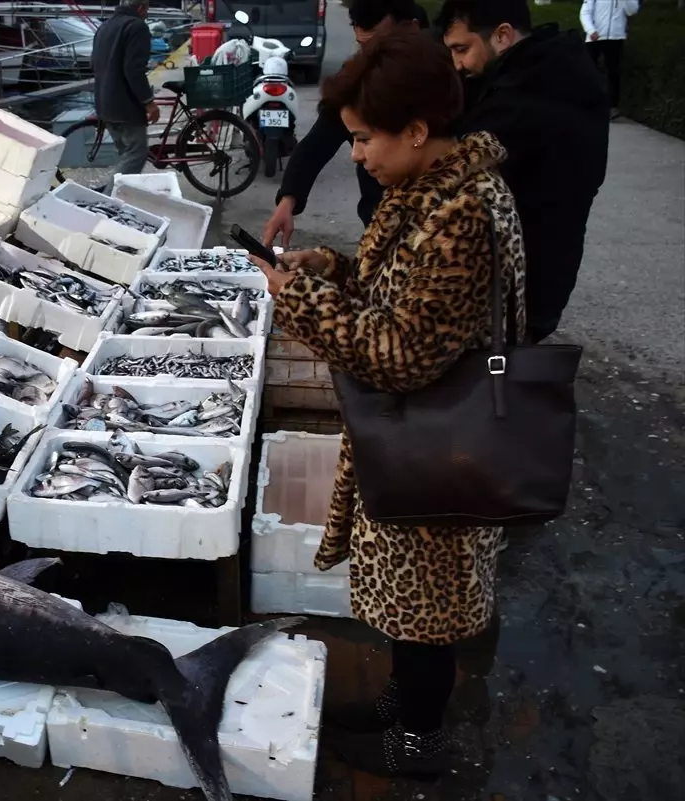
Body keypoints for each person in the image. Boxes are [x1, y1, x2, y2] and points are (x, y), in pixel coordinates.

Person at [254, 29, 526, 779]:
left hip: (443, 447)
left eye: (364, 138)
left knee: (429, 611)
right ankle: (402, 702)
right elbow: (400, 297)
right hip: (420, 437)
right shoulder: (427, 188)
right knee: (415, 610)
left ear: (416, 130)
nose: (355, 155)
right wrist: (330, 267)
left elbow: (401, 354)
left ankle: (420, 742)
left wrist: (300, 298)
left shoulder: (462, 213)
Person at [439, 0, 609, 342]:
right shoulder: (554, 72)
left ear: (503, 35)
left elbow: (455, 180)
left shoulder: (524, 99)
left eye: (462, 49)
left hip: (518, 285)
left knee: (488, 385)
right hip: (542, 276)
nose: (457, 64)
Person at [261, 0, 429, 249]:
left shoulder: (443, 78)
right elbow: (319, 142)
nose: (356, 156)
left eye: (366, 139)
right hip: (378, 226)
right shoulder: (358, 77)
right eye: (363, 46)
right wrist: (289, 199)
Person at [91, 0, 159, 187]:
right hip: (125, 105)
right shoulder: (137, 27)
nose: (146, 14)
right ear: (140, 8)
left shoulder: (104, 27)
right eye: (146, 9)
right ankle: (106, 200)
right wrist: (148, 101)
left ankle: (119, 196)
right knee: (136, 154)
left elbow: (93, 64)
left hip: (104, 102)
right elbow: (134, 70)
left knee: (125, 154)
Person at [580, 0, 640, 116]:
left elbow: (632, 11)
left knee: (613, 72)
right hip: (595, 37)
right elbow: (585, 12)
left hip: (616, 36)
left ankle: (612, 106)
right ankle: (588, 102)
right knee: (589, 70)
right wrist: (591, 30)